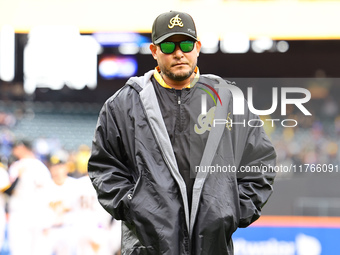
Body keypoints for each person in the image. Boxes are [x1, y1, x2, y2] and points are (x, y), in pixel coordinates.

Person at [88, 10, 276, 255]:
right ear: (154, 51)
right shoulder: (123, 104)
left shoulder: (229, 101)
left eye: (186, 44)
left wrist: (231, 211)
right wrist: (135, 206)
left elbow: (259, 162)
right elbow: (105, 167)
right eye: (168, 46)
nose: (179, 53)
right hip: (147, 247)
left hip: (212, 246)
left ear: (197, 47)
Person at [6, 139, 53, 255]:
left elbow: (8, 191)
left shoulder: (17, 166)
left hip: (19, 213)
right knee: (38, 251)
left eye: (15, 148)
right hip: (39, 213)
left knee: (19, 250)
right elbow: (48, 195)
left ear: (22, 147)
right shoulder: (42, 167)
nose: (13, 150)